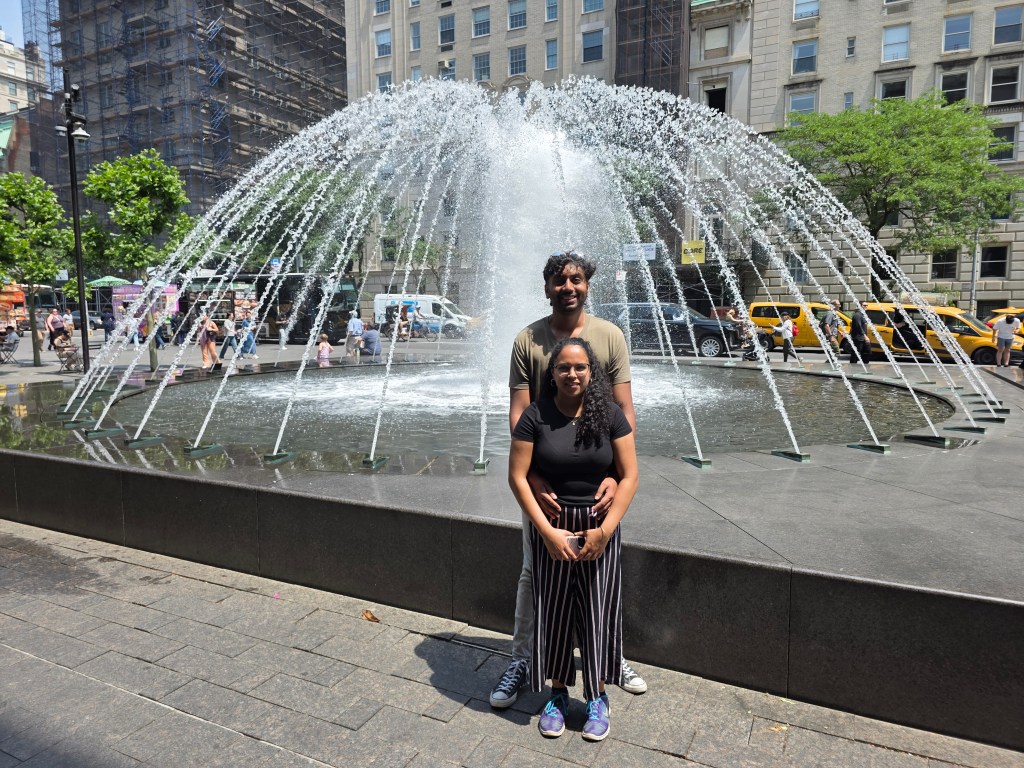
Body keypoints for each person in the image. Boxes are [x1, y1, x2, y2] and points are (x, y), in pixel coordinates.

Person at [491, 251, 646, 711]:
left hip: (596, 485)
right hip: (544, 487)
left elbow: (625, 410)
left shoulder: (609, 336)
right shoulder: (527, 340)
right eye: (559, 281)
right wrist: (533, 477)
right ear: (546, 288)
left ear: (587, 285)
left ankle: (610, 660)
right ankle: (523, 660)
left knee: (603, 578)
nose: (568, 288)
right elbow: (520, 414)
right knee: (533, 573)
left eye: (576, 280)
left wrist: (617, 476)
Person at [509, 337, 638, 742]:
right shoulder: (536, 415)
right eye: (564, 367)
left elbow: (630, 476)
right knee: (555, 612)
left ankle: (597, 696)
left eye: (580, 367)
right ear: (553, 373)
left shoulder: (609, 414)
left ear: (591, 371)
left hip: (600, 526)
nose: (572, 374)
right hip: (553, 527)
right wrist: (546, 533)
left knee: (597, 611)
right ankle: (558, 695)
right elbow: (517, 477)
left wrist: (605, 531)